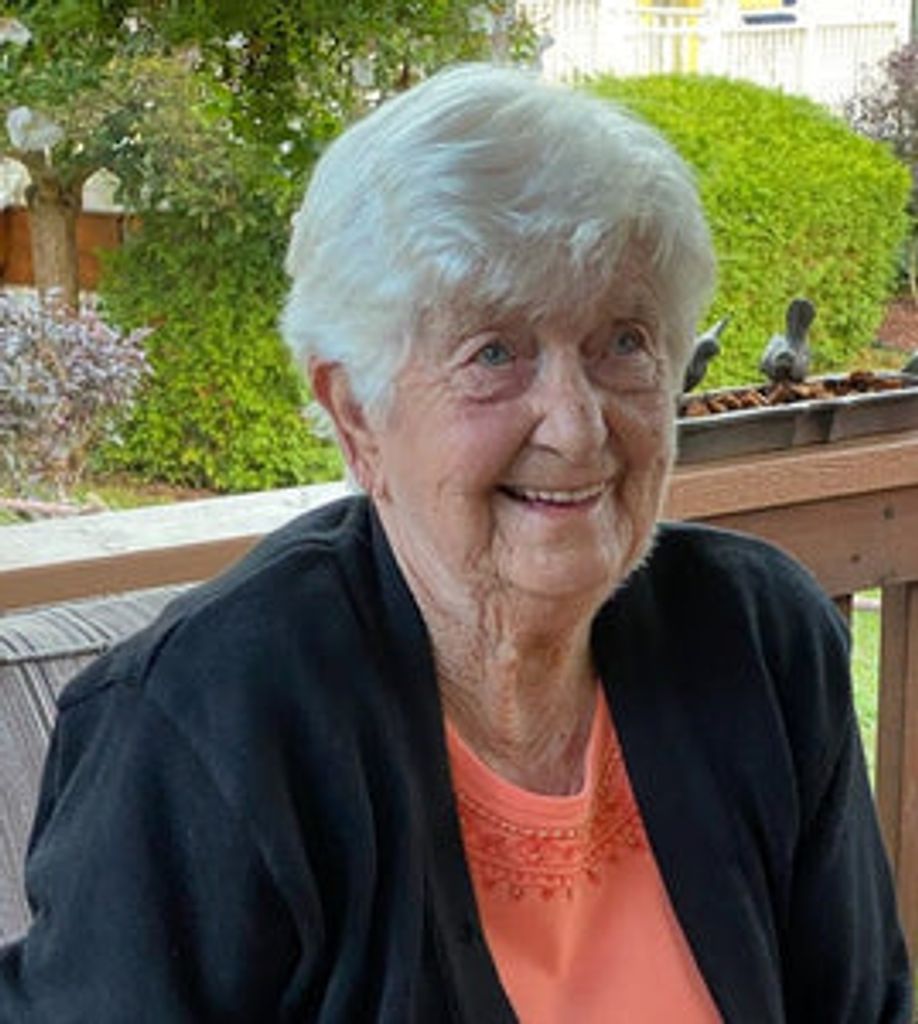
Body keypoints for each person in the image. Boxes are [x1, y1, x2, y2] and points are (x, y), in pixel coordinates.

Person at [0, 64, 911, 1023]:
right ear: (357, 415)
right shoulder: (204, 726)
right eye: (494, 352)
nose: (577, 427)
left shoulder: (758, 642)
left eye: (624, 342)